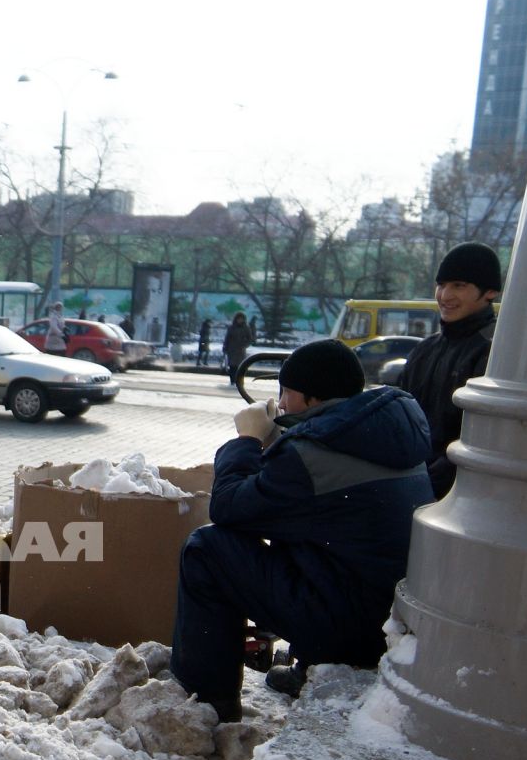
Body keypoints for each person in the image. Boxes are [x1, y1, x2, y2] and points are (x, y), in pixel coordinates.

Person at [170, 340, 433, 721]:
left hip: (347, 627)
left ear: (309, 399)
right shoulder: (386, 434)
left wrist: (246, 440)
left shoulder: (311, 456)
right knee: (303, 538)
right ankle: (307, 666)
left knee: (206, 549)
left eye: (285, 394)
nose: (282, 404)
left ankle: (208, 703)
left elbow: (227, 508)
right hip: (386, 618)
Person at [396, 241, 502, 500]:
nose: (445, 296)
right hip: (412, 484)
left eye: (459, 286)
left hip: (459, 495)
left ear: (490, 291)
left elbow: (480, 439)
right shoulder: (425, 349)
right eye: (441, 285)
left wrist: (421, 486)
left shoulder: (496, 351)